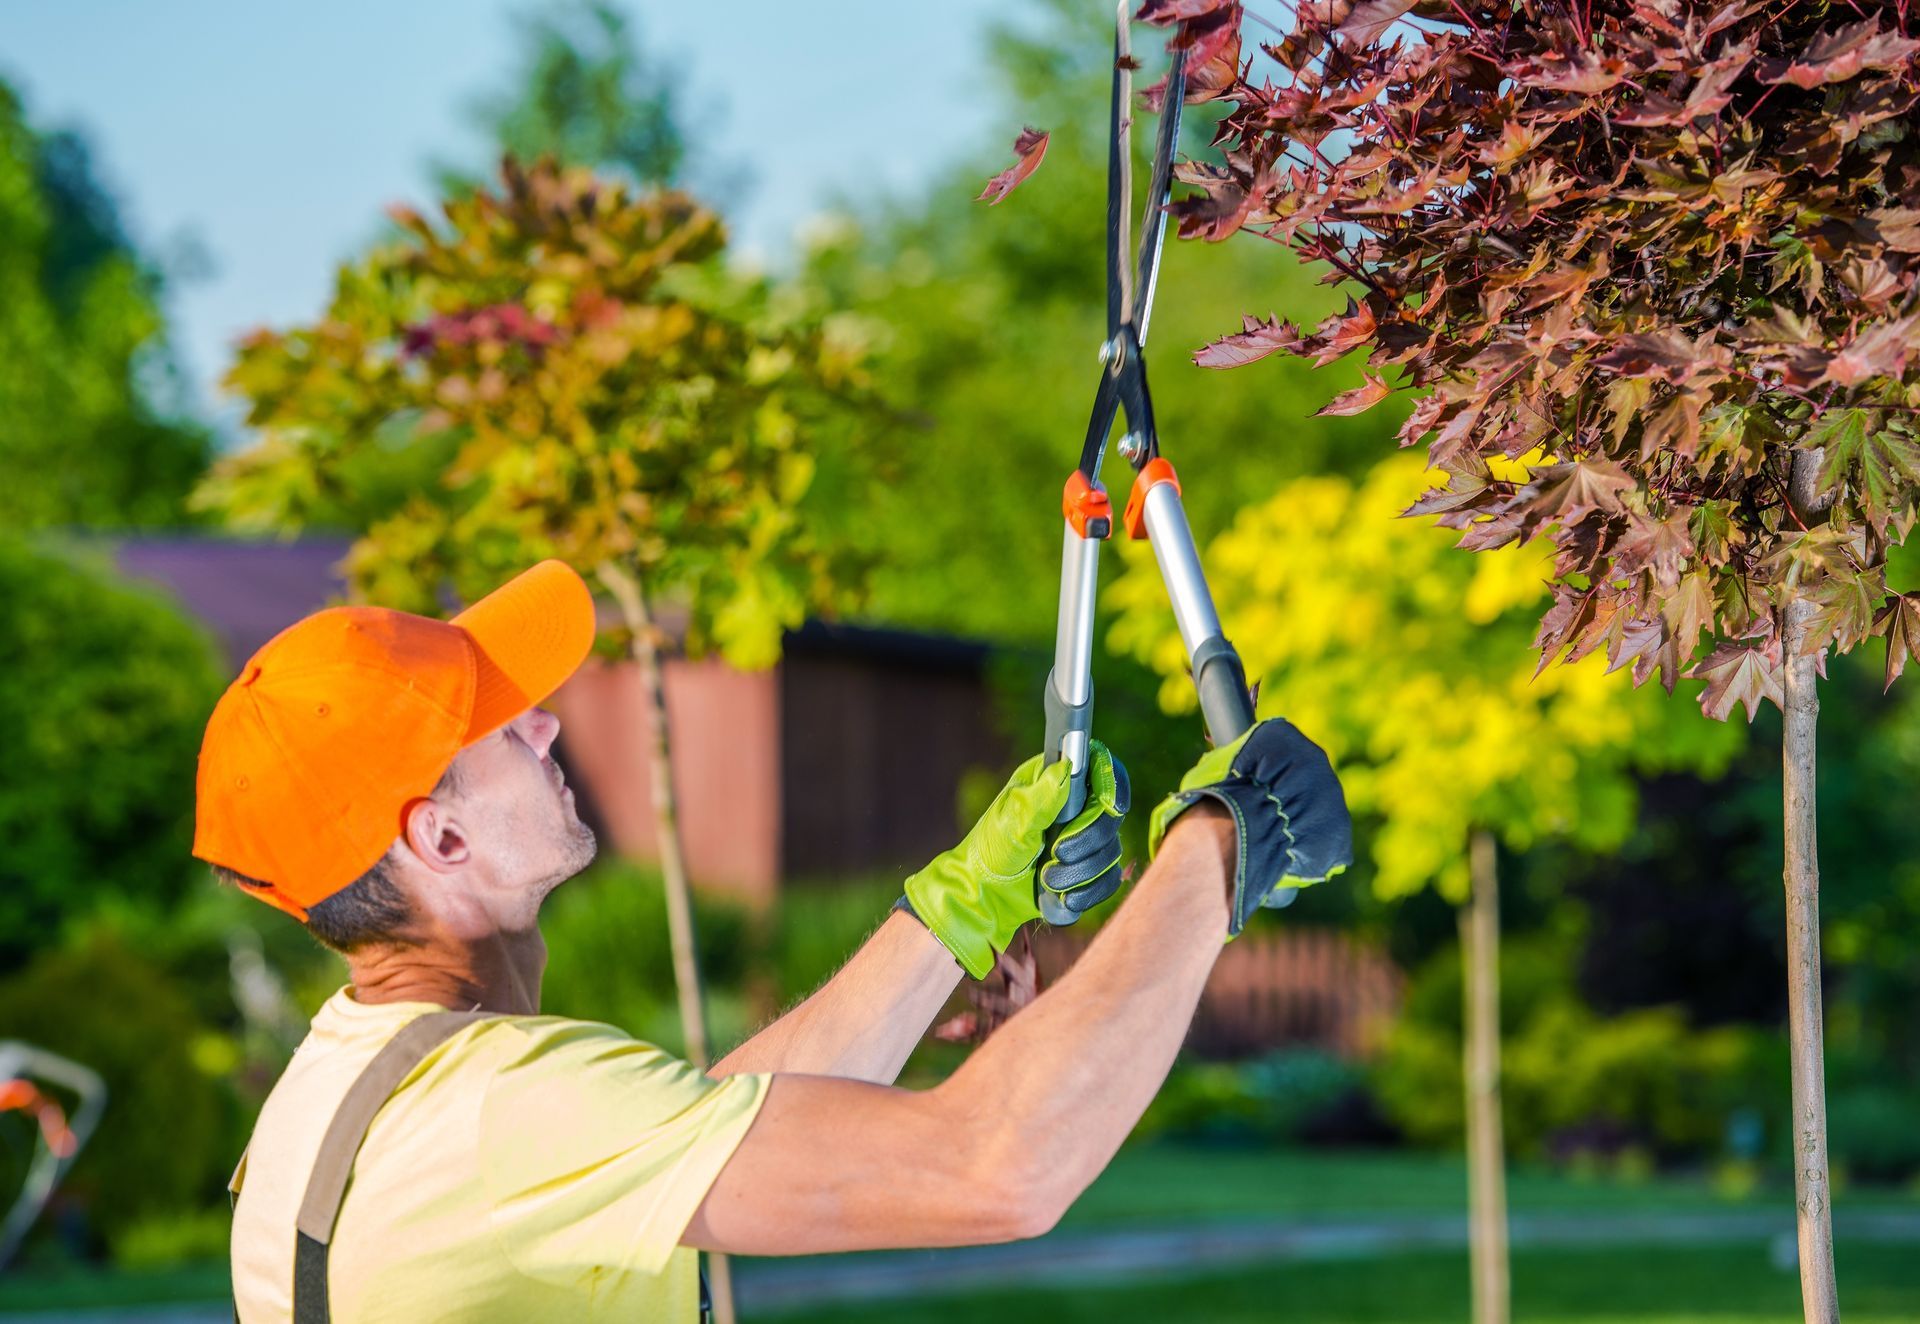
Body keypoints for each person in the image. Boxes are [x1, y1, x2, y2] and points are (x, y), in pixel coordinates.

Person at [200, 559, 1351, 1323]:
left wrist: (965, 900)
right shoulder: (502, 1109)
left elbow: (704, 1132)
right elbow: (999, 1168)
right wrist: (1223, 847)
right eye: (501, 725)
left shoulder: (351, 1093)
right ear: (438, 837)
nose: (547, 719)